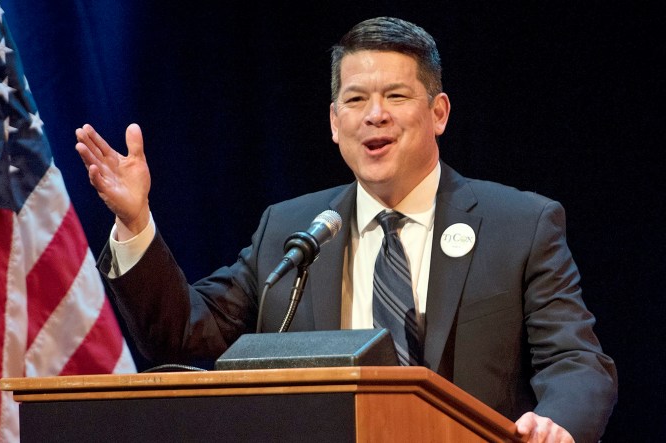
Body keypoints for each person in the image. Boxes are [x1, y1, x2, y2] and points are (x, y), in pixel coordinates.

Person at [75, 16, 617, 443]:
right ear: (335, 123)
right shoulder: (290, 231)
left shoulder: (518, 224)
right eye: (355, 100)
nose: (373, 115)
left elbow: (575, 359)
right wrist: (135, 220)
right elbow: (182, 333)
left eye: (396, 96)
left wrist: (558, 424)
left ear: (439, 113)